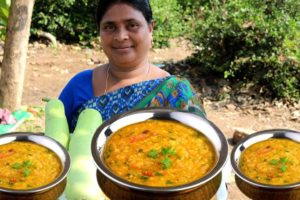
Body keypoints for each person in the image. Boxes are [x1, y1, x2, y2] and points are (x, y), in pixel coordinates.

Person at [58, 0, 228, 199]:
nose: (121, 36)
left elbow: (202, 165)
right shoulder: (78, 86)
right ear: (100, 32)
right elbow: (56, 154)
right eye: (110, 27)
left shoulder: (176, 93)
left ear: (150, 28)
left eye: (132, 25)